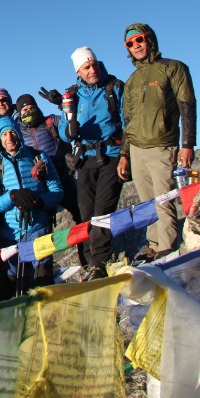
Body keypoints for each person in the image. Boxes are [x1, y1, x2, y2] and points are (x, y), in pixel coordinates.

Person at [116, 24, 197, 261]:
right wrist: (124, 154)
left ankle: (168, 249)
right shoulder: (131, 80)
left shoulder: (173, 68)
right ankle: (153, 246)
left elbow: (187, 105)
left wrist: (187, 144)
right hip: (137, 149)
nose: (136, 46)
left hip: (162, 145)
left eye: (139, 39)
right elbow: (128, 121)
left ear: (150, 40)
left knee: (164, 200)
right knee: (147, 204)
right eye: (130, 43)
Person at [58, 47, 126, 281]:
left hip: (111, 155)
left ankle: (100, 263)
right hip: (84, 159)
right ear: (78, 71)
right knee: (86, 213)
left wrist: (125, 155)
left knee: (102, 212)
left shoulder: (114, 88)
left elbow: (127, 121)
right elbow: (63, 128)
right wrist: (68, 131)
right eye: (86, 67)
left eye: (94, 64)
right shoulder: (72, 95)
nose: (92, 70)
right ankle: (89, 263)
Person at [0, 117, 63, 295]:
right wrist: (12, 196)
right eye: (4, 134)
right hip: (10, 236)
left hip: (39, 229)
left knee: (44, 283)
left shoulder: (39, 157)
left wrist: (39, 202)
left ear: (19, 134)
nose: (9, 137)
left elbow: (57, 191)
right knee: (15, 287)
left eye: (12, 132)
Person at [14, 93, 83, 265]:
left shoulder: (50, 122)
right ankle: (45, 269)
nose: (28, 111)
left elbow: (71, 122)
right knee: (44, 230)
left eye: (31, 107)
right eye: (24, 109)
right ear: (19, 113)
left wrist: (61, 103)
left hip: (65, 178)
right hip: (42, 187)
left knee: (81, 218)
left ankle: (87, 260)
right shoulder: (18, 133)